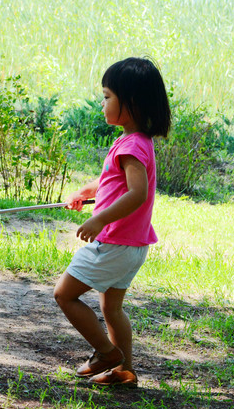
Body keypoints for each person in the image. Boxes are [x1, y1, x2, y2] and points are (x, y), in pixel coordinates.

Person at [53, 57, 171, 387]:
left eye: (107, 96)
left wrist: (99, 219)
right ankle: (125, 370)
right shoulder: (134, 141)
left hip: (115, 243)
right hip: (132, 246)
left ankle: (106, 353)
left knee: (64, 295)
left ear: (130, 103)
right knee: (112, 309)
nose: (102, 103)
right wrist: (86, 193)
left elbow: (136, 193)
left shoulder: (133, 145)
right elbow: (112, 184)